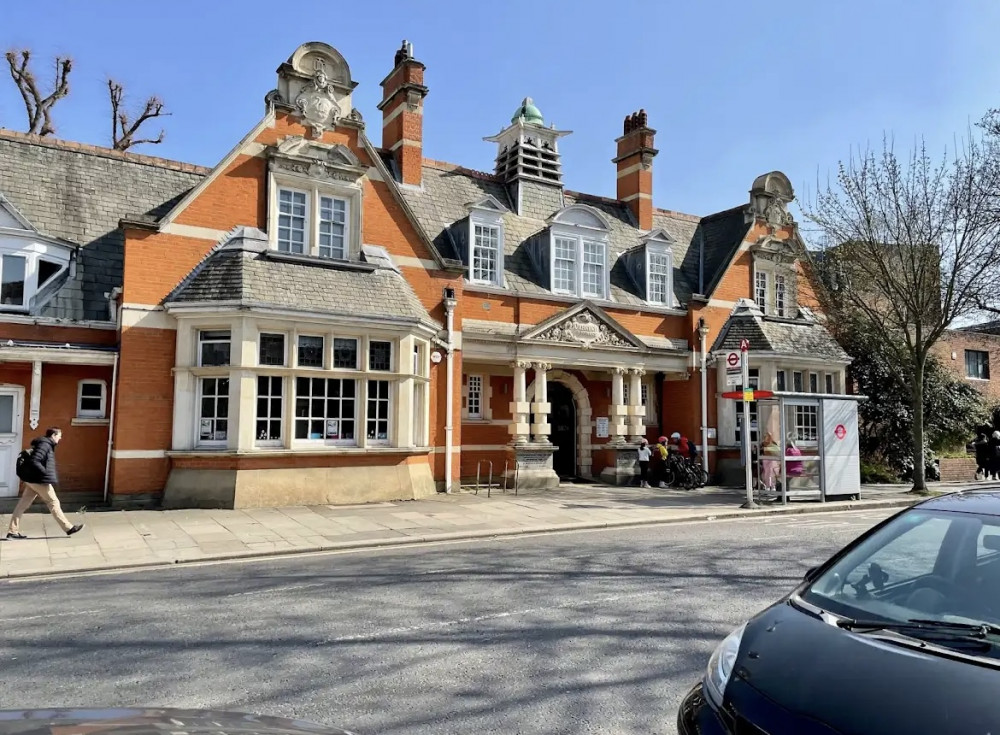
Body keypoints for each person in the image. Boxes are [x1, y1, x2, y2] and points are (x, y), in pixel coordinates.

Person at [6, 427, 84, 540]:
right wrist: (44, 473)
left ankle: (12, 532)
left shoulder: (45, 444)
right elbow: (35, 460)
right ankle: (68, 528)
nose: (60, 438)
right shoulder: (45, 444)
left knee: (23, 505)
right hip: (38, 480)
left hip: (32, 480)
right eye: (59, 435)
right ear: (53, 435)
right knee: (53, 502)